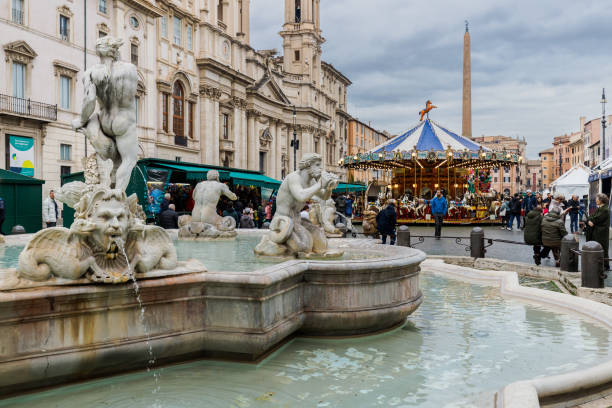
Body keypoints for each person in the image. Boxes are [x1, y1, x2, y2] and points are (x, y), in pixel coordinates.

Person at [585, 193, 610, 269]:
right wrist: (589, 221)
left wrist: (589, 221)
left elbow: (595, 219)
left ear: (601, 200)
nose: (596, 200)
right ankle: (599, 263)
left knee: (602, 248)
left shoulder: (605, 210)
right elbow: (591, 217)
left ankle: (605, 265)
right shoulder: (600, 208)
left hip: (601, 233)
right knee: (597, 247)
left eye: (597, 199)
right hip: (597, 232)